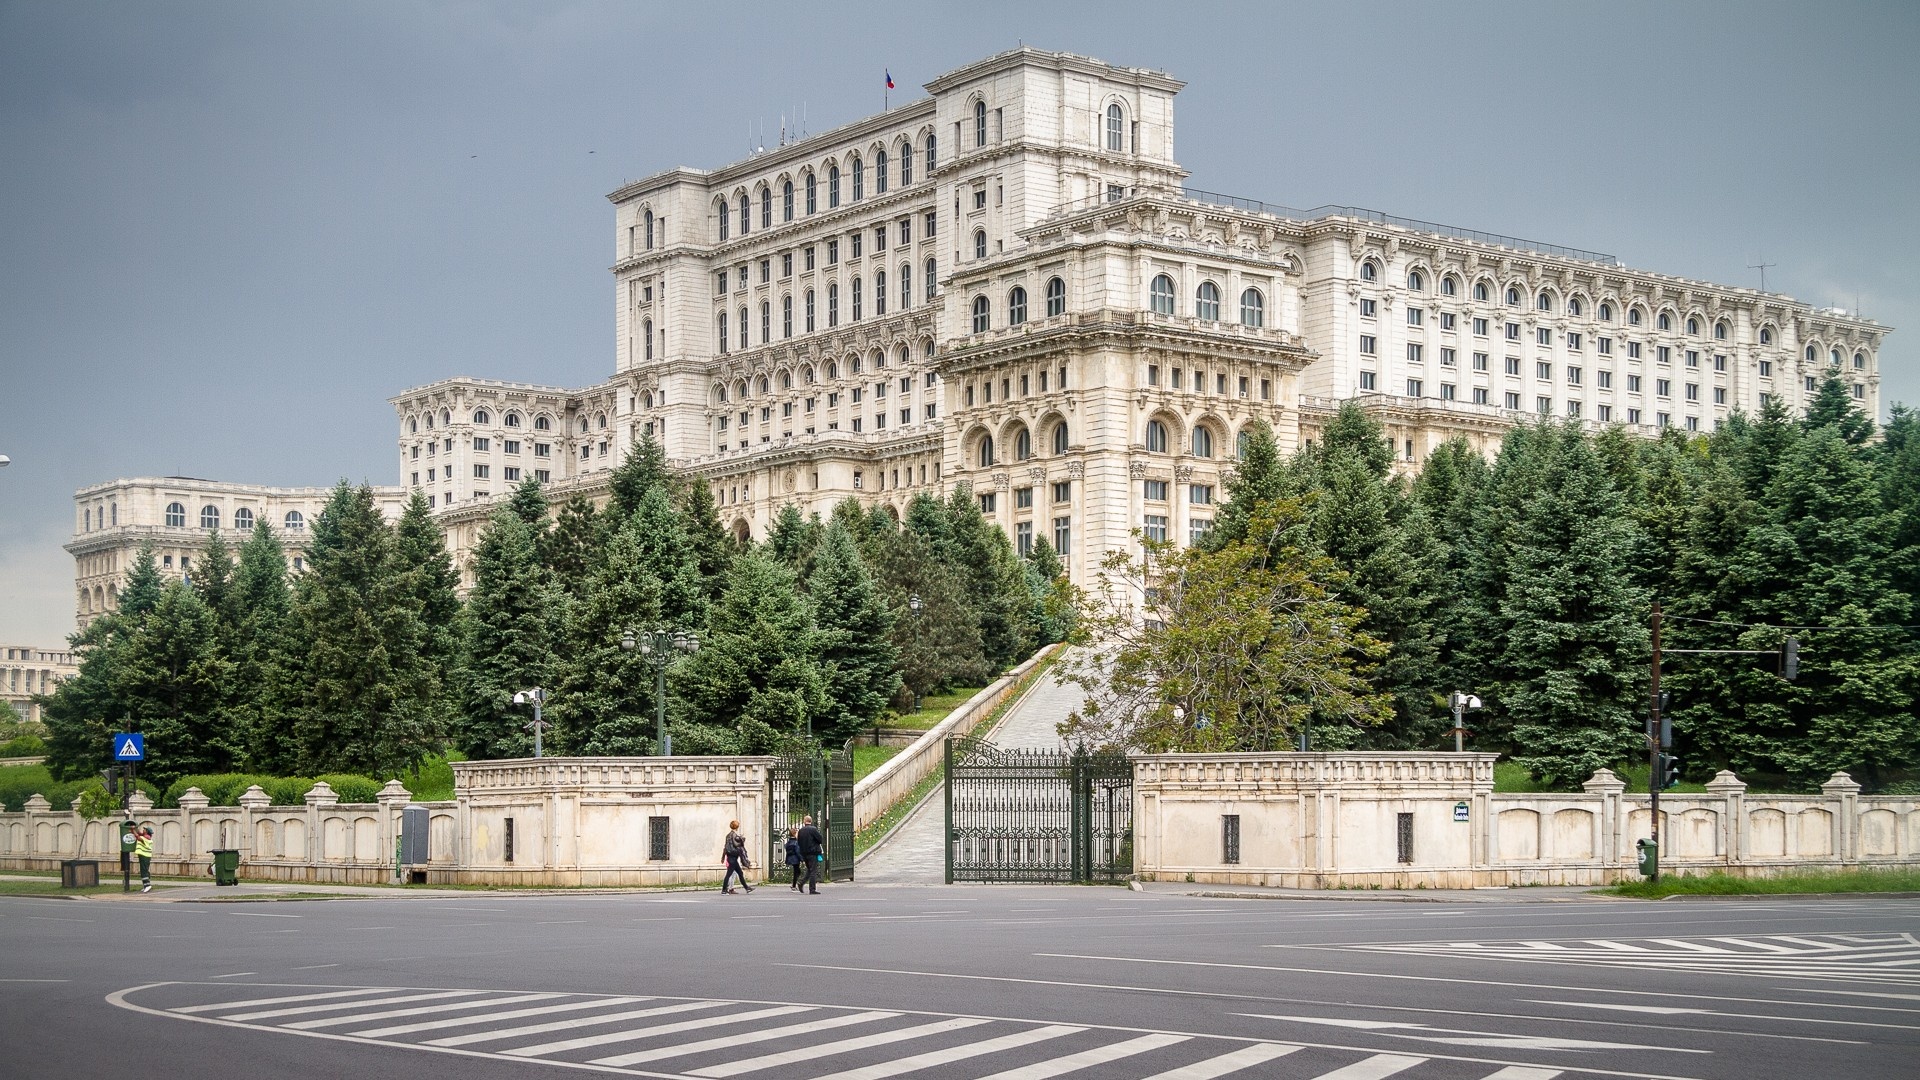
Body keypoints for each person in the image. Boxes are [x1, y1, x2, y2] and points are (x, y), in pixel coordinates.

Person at [720, 820, 753, 894]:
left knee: (740, 873)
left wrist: (722, 857)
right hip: (733, 857)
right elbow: (736, 844)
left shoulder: (728, 835)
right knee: (729, 874)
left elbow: (725, 847)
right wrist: (742, 839)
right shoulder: (734, 835)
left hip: (730, 857)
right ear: (737, 827)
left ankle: (747, 888)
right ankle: (724, 890)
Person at [795, 814, 823, 894]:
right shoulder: (813, 829)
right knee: (813, 871)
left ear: (804, 821)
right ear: (811, 821)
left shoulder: (801, 830)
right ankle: (812, 889)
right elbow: (820, 839)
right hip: (813, 853)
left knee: (809, 870)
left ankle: (801, 883)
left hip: (804, 853)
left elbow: (799, 841)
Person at [134, 826, 154, 893]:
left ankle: (147, 885)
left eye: (145, 829)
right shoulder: (146, 837)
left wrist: (132, 829)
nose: (143, 830)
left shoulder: (146, 838)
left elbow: (138, 837)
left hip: (145, 856)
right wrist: (135, 828)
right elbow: (139, 833)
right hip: (145, 856)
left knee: (144, 871)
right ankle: (146, 885)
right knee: (144, 870)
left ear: (147, 831)